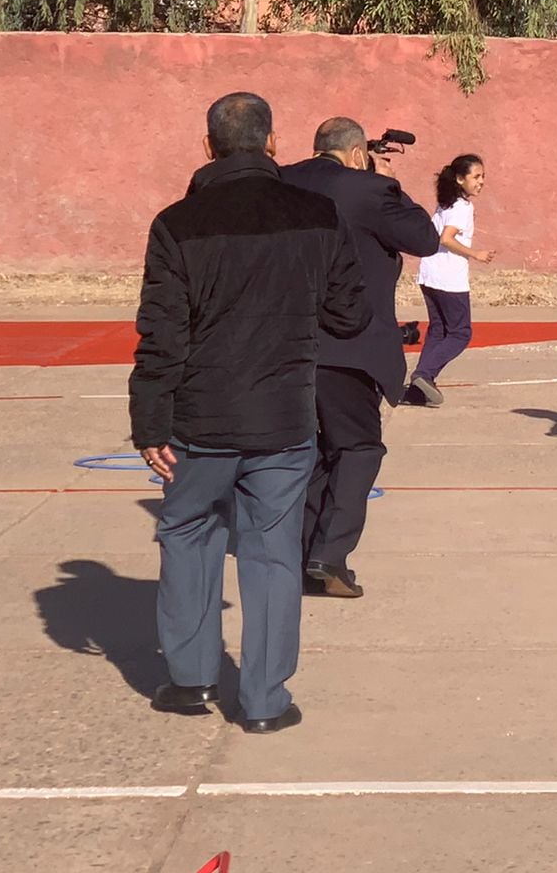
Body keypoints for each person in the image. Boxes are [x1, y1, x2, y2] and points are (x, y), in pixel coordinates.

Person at [129, 93, 369, 734]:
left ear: (208, 146)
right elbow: (351, 311)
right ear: (271, 142)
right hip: (284, 418)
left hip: (198, 420)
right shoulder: (316, 214)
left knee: (187, 537)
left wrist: (149, 422)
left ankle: (190, 681)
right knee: (270, 552)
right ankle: (264, 701)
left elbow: (162, 334)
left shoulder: (178, 223)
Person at [282, 118, 439, 598]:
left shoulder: (282, 179)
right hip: (349, 343)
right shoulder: (370, 188)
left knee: (314, 454)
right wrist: (385, 178)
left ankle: (302, 554)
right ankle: (328, 557)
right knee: (358, 449)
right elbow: (424, 239)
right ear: (356, 154)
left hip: (286, 342)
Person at [410, 154, 494, 406]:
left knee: (438, 330)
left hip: (429, 273)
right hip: (448, 278)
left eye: (483, 177)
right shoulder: (462, 207)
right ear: (460, 179)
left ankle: (419, 389)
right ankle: (424, 374)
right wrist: (475, 254)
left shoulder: (447, 203)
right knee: (460, 333)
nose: (481, 182)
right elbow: (447, 238)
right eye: (476, 177)